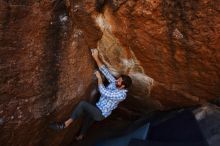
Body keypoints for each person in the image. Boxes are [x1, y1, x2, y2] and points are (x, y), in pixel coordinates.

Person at [49, 49, 132, 140]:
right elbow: (105, 72)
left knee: (83, 105)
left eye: (119, 81)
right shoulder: (115, 83)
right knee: (88, 118)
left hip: (101, 114)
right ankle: (81, 136)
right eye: (118, 79)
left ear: (123, 86)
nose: (117, 80)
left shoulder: (122, 95)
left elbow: (104, 92)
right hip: (97, 106)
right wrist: (96, 57)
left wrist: (99, 78)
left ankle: (65, 124)